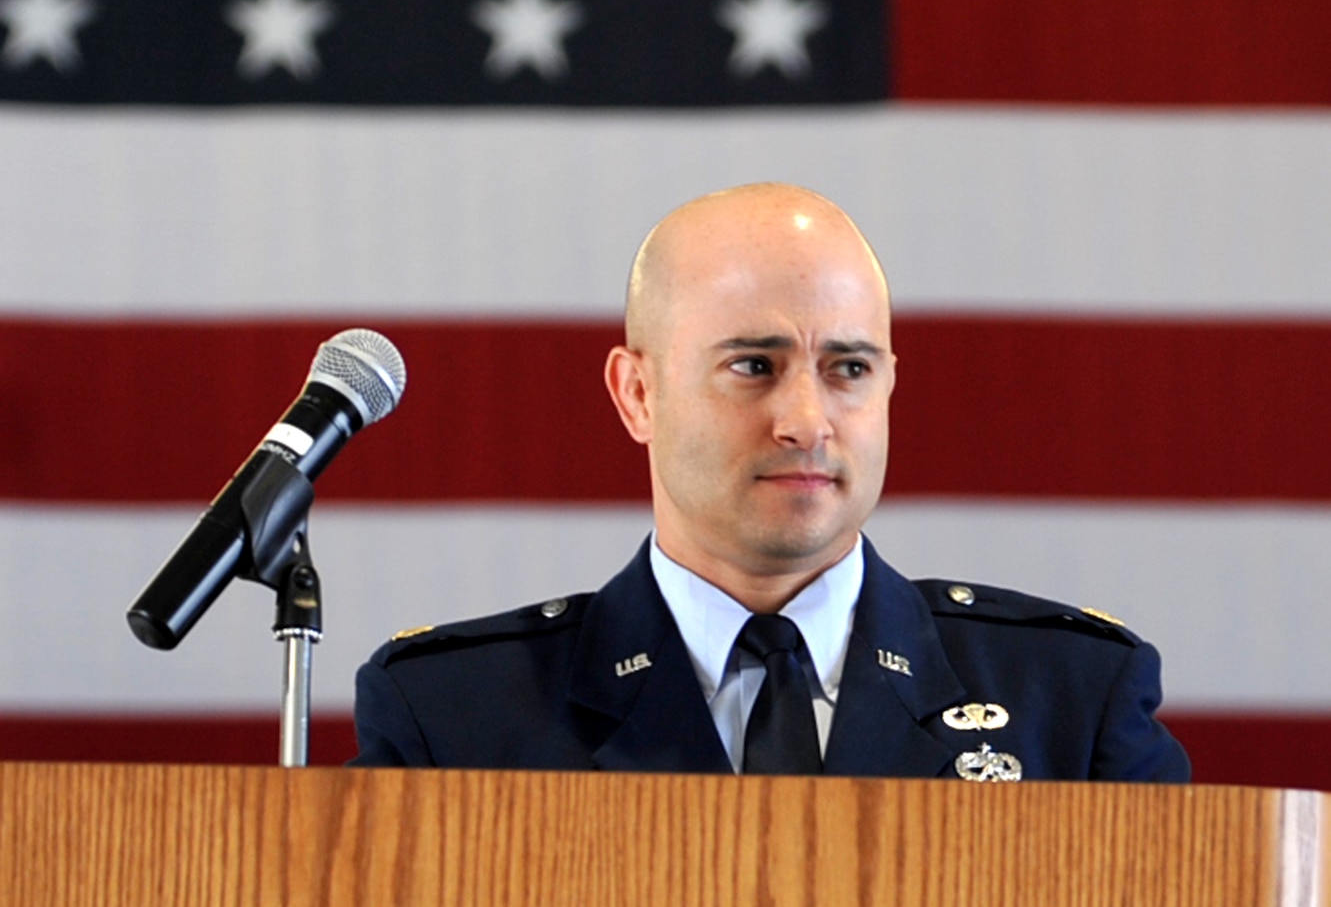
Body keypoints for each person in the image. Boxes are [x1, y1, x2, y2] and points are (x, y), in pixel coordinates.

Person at [352, 183, 1189, 783]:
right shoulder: (453, 720)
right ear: (636, 394)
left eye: (848, 367)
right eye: (754, 365)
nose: (805, 420)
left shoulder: (1070, 702)